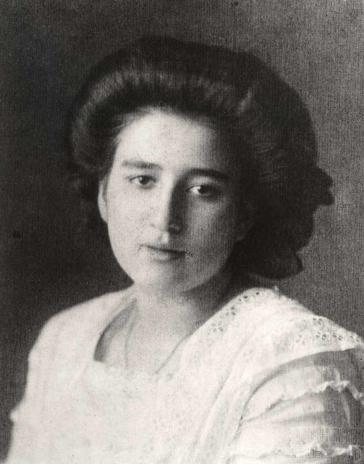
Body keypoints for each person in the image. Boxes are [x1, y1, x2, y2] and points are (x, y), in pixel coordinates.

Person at [5, 36, 364, 464]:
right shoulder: (65, 339)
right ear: (103, 193)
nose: (165, 218)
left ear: (245, 215)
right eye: (143, 180)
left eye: (202, 190)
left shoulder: (288, 361)